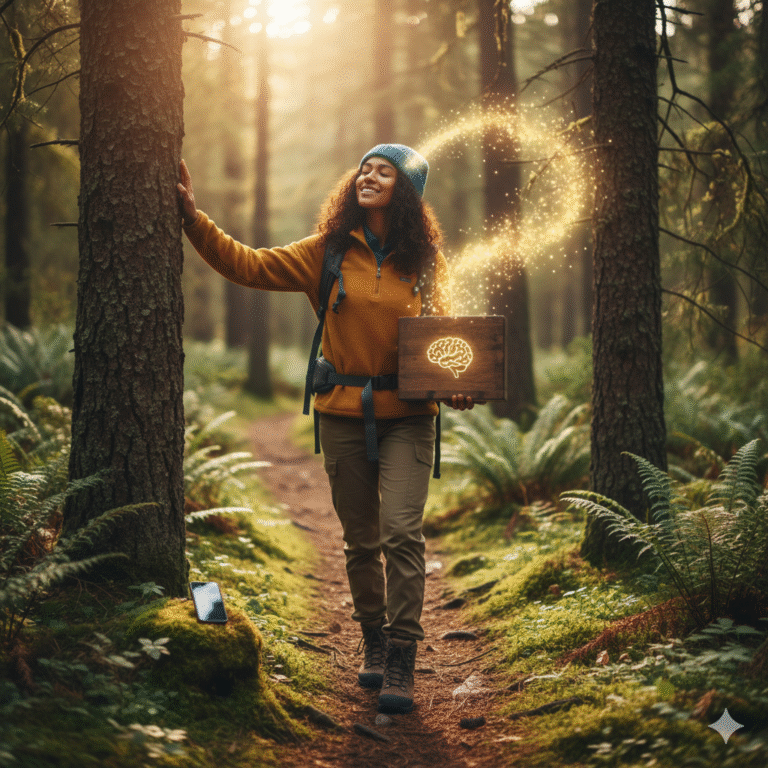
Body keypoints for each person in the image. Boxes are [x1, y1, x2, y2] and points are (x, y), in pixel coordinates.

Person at [177, 144, 478, 714]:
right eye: (365, 168)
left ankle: (402, 659)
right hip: (342, 414)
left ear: (407, 193)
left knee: (402, 534)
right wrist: (193, 218)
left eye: (384, 172)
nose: (369, 175)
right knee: (361, 540)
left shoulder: (430, 263)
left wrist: (457, 386)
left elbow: (448, 343)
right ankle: (372, 640)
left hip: (410, 420)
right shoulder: (328, 252)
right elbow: (250, 264)